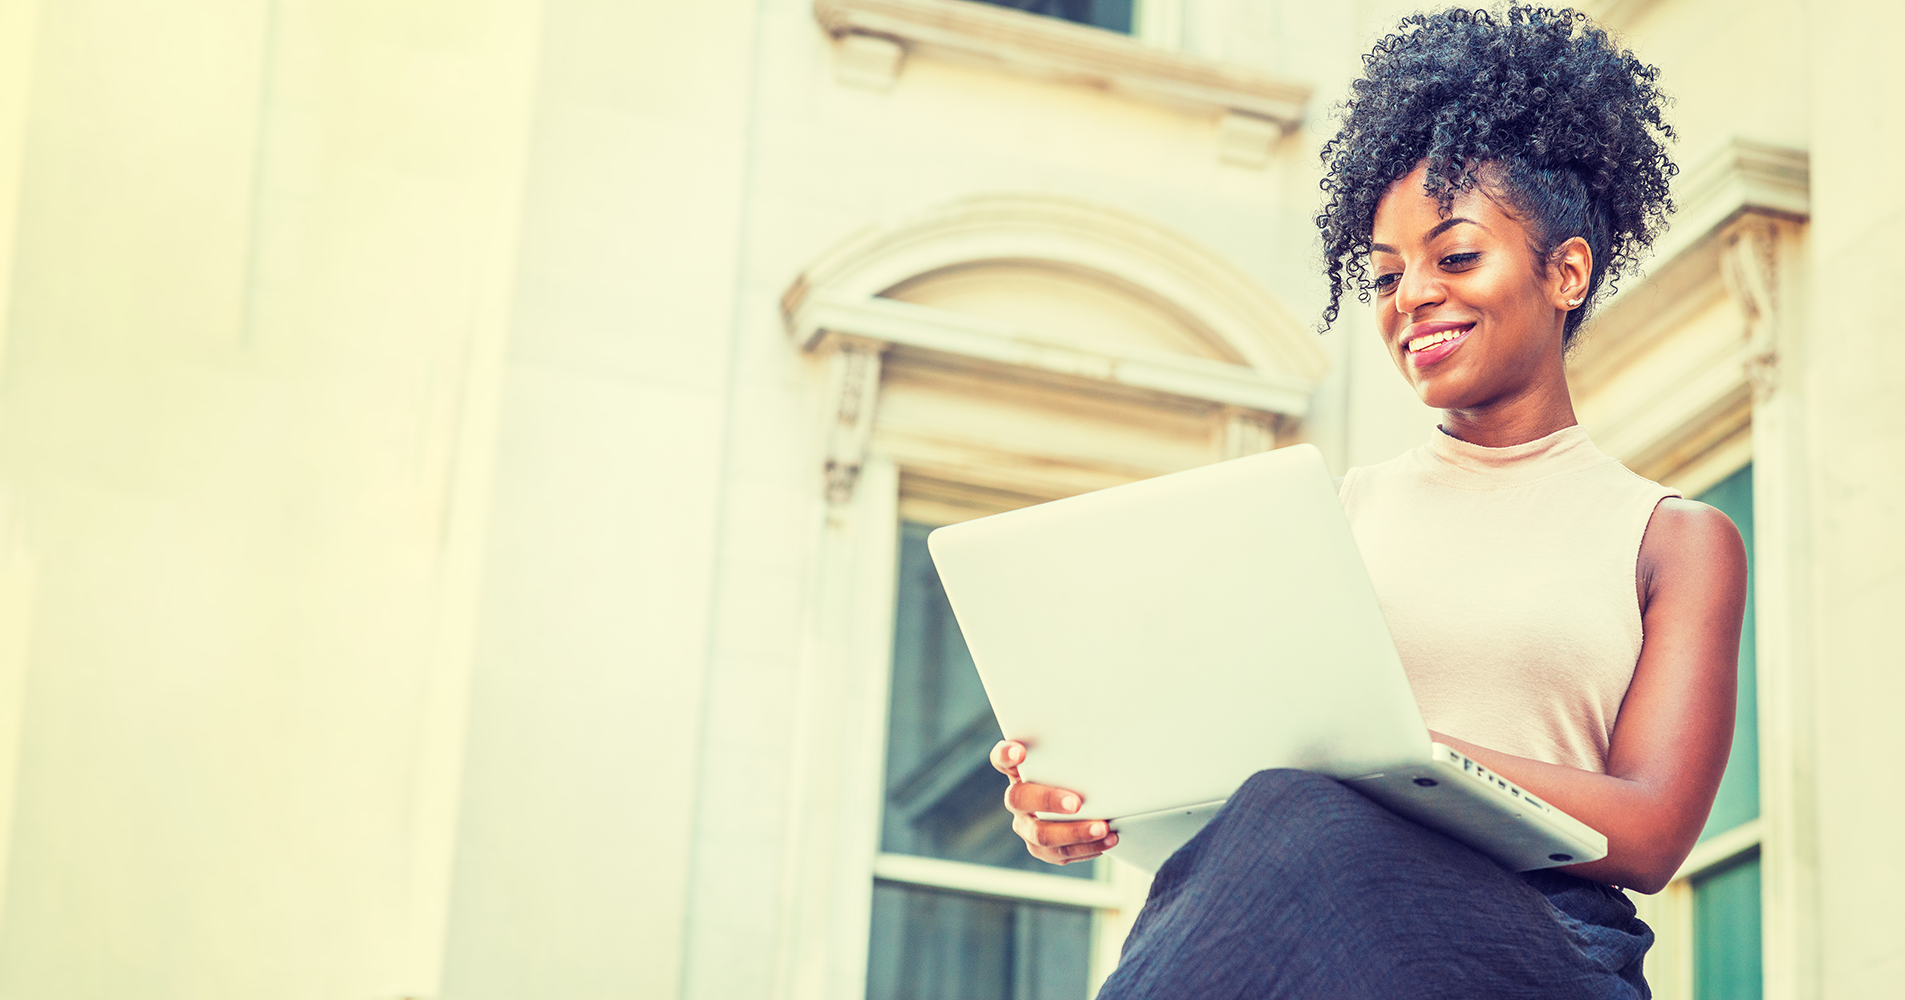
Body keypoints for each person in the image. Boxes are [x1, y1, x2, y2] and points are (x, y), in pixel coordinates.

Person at [987, 7, 1748, 998]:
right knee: (1281, 827)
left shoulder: (1673, 540)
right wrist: (1093, 800)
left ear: (1567, 271)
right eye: (1386, 275)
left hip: (1544, 946)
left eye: (1456, 256)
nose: (1410, 297)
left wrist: (1393, 762)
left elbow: (1649, 829)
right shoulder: (1327, 517)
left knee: (1306, 819)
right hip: (1312, 933)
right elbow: (1240, 762)